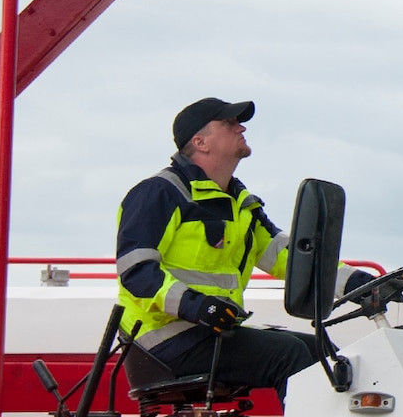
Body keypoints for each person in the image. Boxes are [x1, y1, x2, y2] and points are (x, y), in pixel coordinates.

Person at [115, 97, 351, 398]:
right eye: (228, 123)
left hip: (208, 330)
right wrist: (196, 305)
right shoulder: (158, 193)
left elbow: (291, 258)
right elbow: (136, 272)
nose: (240, 127)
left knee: (324, 352)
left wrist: (356, 282)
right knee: (290, 354)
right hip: (163, 341)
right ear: (200, 142)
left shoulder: (240, 203)